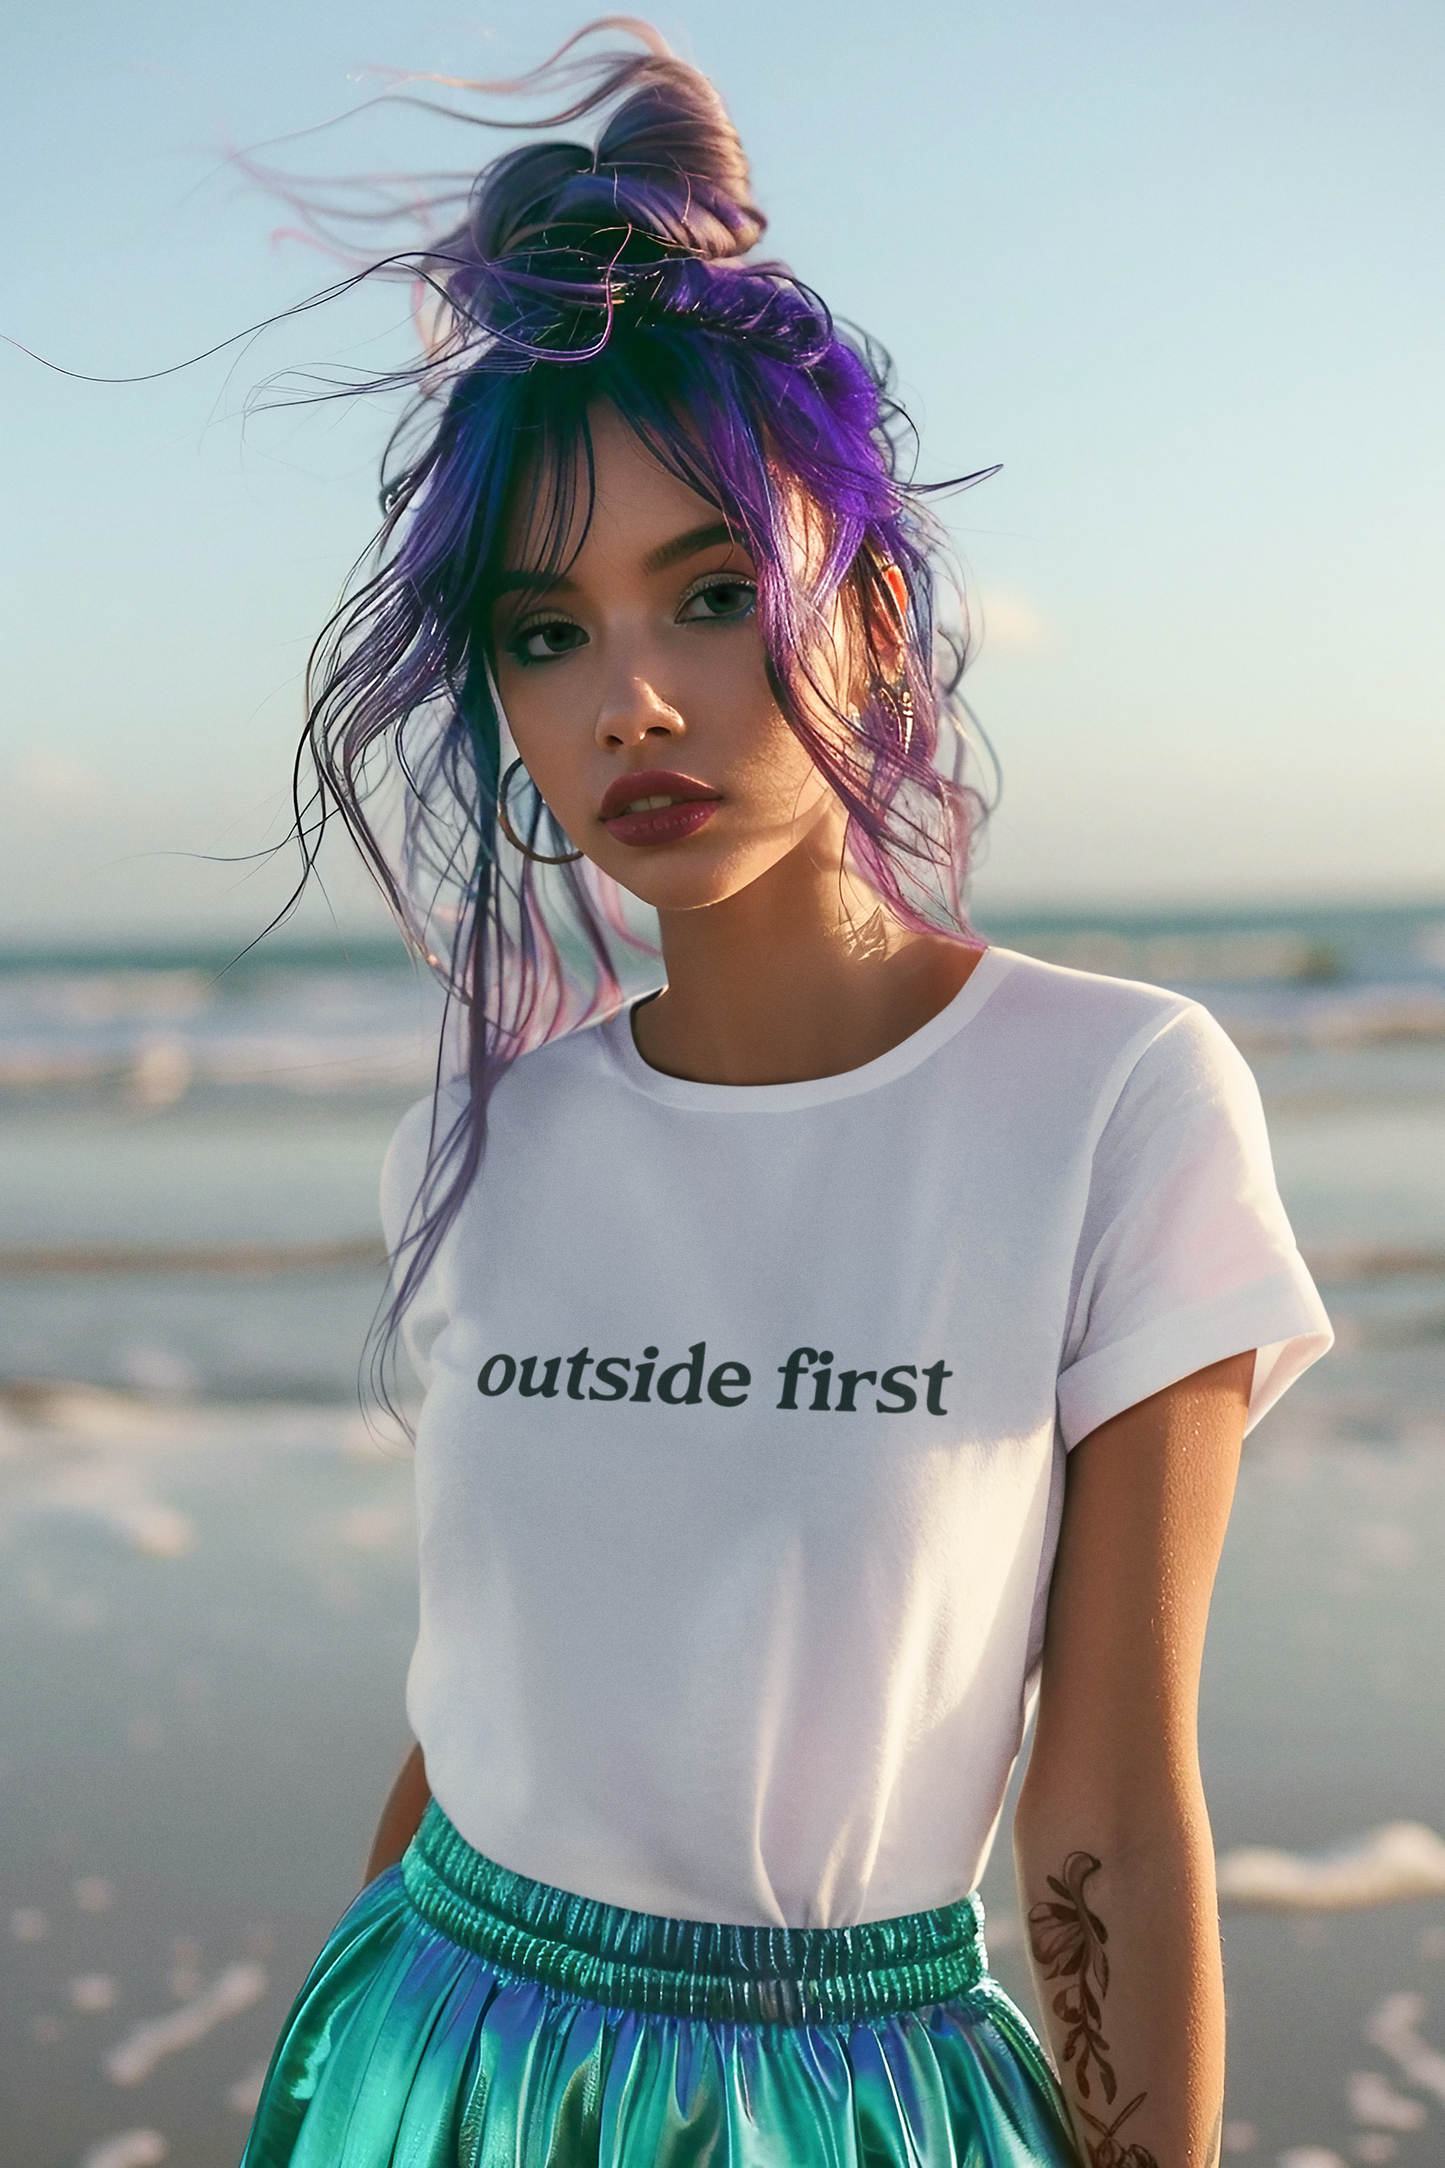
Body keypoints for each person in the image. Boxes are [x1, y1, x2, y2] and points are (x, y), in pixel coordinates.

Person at [239, 22, 1332, 2166]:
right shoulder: (482, 1151)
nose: (627, 694)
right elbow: (485, 1709)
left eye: (717, 595)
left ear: (883, 617)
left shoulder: (1111, 1097)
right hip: (414, 2062)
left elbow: (1102, 1805)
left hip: (846, 2102)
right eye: (543, 631)